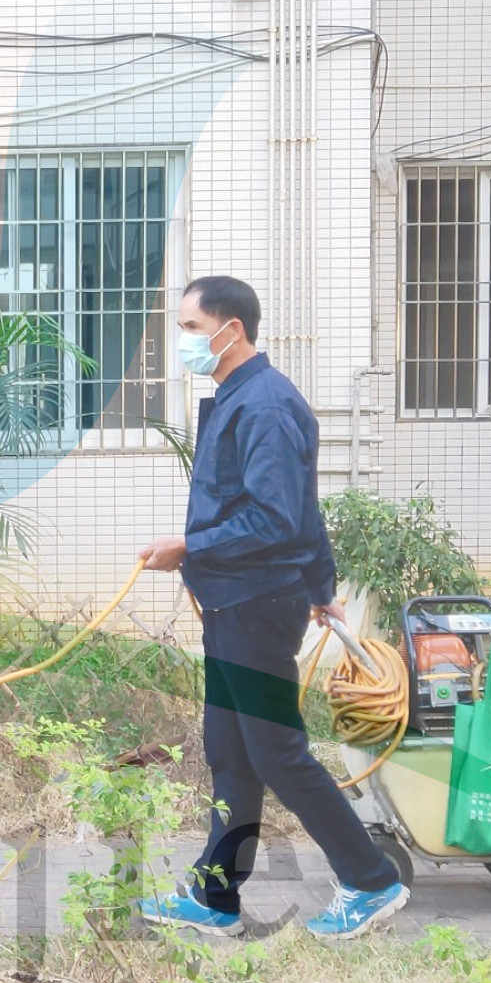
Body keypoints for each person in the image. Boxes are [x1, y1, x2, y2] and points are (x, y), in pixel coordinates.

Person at [135, 276, 412, 943]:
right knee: (230, 751)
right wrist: (320, 587)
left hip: (256, 606)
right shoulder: (240, 398)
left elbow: (275, 517)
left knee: (278, 753)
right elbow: (304, 509)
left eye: (191, 328)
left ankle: (371, 879)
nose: (182, 341)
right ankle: (215, 897)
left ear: (231, 330)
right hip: (236, 603)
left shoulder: (264, 405)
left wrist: (188, 547)